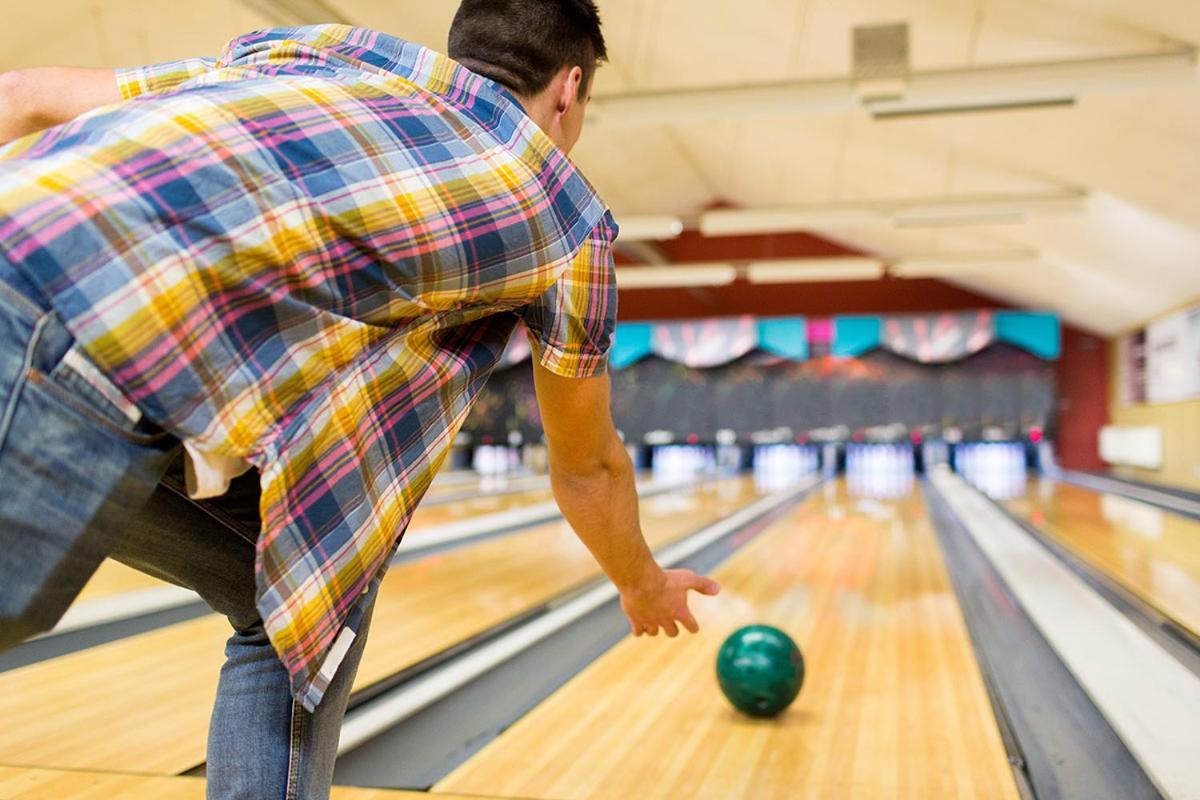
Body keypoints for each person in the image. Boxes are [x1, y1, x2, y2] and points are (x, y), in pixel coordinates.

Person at [0, 2, 720, 798]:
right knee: (314, 593)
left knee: (303, 600)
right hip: (62, 329)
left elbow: (24, 92)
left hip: (55, 290)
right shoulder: (566, 217)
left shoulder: (313, 51)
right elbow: (587, 468)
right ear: (569, 88)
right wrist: (642, 582)